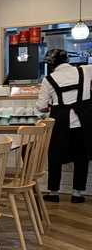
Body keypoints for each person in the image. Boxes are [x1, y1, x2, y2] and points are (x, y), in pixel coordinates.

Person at [38, 49, 92, 203]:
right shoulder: (86, 70)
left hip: (60, 123)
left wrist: (49, 106)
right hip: (82, 121)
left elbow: (41, 106)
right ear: (67, 59)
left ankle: (54, 192)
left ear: (51, 64)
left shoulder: (48, 79)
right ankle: (77, 194)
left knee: (55, 156)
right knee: (81, 157)